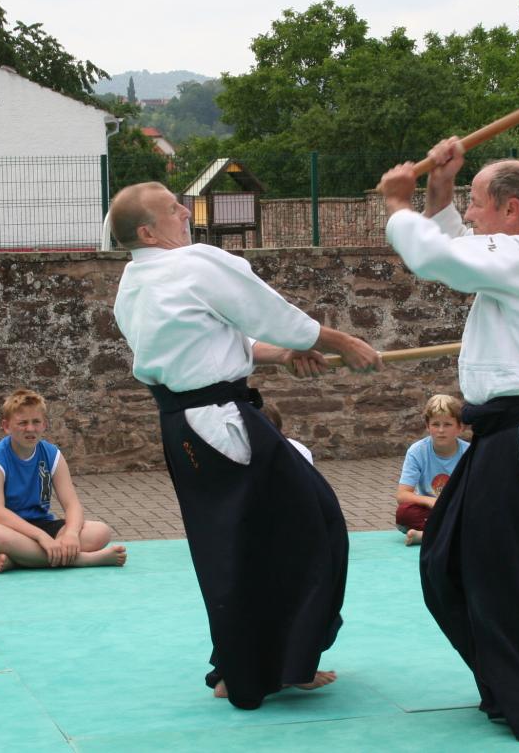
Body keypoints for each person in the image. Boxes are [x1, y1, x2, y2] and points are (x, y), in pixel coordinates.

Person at [109, 181, 382, 710]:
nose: (185, 212)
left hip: (188, 426)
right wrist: (337, 342)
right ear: (148, 230)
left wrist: (280, 356)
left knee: (239, 545)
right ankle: (266, 665)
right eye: (172, 209)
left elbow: (204, 344)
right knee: (308, 525)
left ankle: (258, 663)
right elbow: (269, 310)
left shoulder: (134, 282)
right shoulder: (190, 263)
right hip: (220, 425)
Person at [378, 139, 519, 741]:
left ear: (512, 210)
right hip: (502, 433)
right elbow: (458, 253)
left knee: (501, 576)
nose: (470, 215)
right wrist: (440, 194)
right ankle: (506, 681)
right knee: (447, 565)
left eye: (475, 203)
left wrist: (398, 206)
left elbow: (441, 261)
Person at [0, 389, 126, 573]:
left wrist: (70, 533)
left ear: (44, 424)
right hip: (6, 529)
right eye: (22, 423)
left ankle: (20, 559)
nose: (30, 429)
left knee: (101, 531)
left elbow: (72, 505)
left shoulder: (52, 454)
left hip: (43, 525)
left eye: (36, 422)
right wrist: (40, 537)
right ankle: (83, 560)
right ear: (6, 426)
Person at [395, 394, 469, 546]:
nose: (441, 430)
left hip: (459, 508)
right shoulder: (417, 451)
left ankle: (426, 536)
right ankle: (453, 534)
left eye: (448, 424)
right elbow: (402, 495)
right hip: (431, 510)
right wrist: (430, 501)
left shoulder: (469, 453)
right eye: (435, 424)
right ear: (428, 426)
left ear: (460, 427)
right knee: (404, 513)